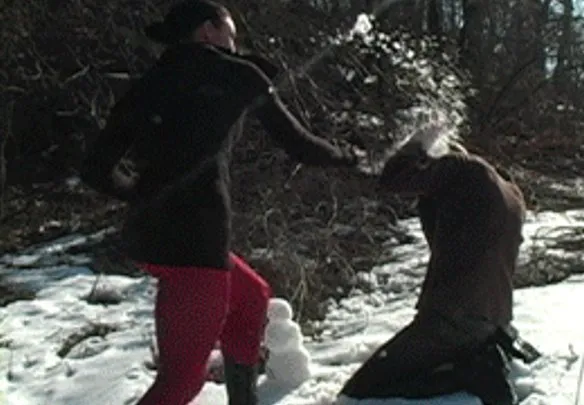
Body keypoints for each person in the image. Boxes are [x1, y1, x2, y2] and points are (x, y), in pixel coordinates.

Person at [79, 1, 364, 404]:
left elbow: (94, 169)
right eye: (230, 28)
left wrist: (141, 194)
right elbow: (299, 145)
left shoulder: (147, 84)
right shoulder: (236, 74)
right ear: (208, 30)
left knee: (251, 298)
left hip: (151, 234)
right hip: (196, 243)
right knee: (181, 380)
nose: (235, 37)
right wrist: (350, 156)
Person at [338, 124, 531, 405]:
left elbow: (392, 178)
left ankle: (471, 373)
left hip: (450, 320)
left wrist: (417, 143)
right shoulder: (509, 194)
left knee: (358, 390)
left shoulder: (462, 168)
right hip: (492, 321)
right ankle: (472, 363)